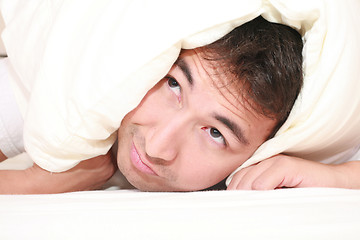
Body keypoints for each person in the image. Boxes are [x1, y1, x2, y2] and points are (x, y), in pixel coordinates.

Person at [0, 16, 305, 193]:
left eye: (215, 133)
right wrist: (34, 182)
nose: (157, 147)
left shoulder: (287, 148)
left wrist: (332, 174)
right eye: (173, 85)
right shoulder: (44, 94)